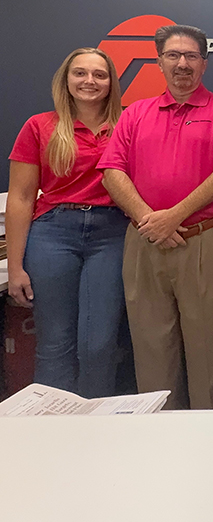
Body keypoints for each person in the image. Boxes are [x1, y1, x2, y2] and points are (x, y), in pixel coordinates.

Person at [99, 24, 213, 410]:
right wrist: (149, 219)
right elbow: (112, 172)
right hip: (144, 242)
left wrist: (173, 217)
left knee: (210, 351)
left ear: (204, 63)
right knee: (151, 348)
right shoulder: (136, 113)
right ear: (159, 62)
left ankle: (212, 434)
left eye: (190, 56)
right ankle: (159, 434)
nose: (182, 63)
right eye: (173, 55)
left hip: (203, 239)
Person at [6, 47, 128, 397]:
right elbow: (21, 198)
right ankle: (54, 423)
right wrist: (15, 267)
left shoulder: (127, 124)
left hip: (112, 234)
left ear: (111, 83)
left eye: (99, 75)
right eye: (80, 73)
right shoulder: (39, 126)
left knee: (99, 343)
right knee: (55, 342)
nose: (89, 81)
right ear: (66, 79)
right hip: (53, 234)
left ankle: (96, 423)